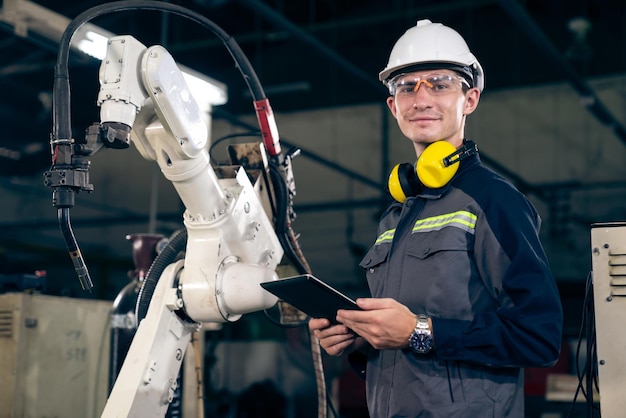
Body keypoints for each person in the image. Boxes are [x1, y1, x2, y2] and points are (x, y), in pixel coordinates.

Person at [309, 19, 563, 417]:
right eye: (406, 87)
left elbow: (540, 338)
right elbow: (400, 339)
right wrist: (362, 339)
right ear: (393, 106)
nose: (421, 99)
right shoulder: (395, 215)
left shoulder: (494, 200)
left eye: (440, 83)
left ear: (470, 99)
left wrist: (419, 332)